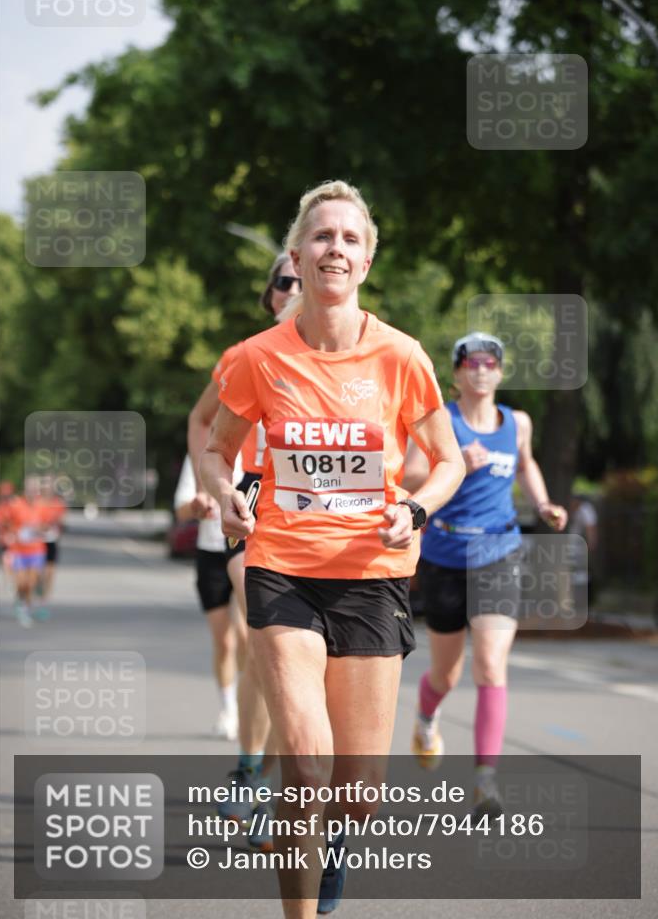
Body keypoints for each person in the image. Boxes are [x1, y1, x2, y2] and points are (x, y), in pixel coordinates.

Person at [201, 180, 465, 917]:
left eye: (350, 238)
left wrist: (414, 509)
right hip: (281, 567)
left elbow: (448, 460)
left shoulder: (401, 356)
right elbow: (218, 449)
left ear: (367, 260)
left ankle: (332, 839)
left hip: (372, 574)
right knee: (308, 767)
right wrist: (224, 494)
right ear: (296, 256)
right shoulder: (258, 357)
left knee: (357, 794)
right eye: (321, 236)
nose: (335, 249)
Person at [405, 331, 567, 820]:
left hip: (499, 551)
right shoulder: (440, 419)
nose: (480, 369)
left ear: (499, 372)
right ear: (456, 373)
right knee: (447, 673)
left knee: (492, 666)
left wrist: (543, 503)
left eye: (489, 362)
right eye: (471, 362)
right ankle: (426, 717)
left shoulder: (517, 423)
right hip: (445, 554)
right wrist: (455, 464)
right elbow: (409, 476)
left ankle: (484, 781)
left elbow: (526, 464)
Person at [187, 253, 301, 845]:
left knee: (300, 665)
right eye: (285, 280)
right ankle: (253, 775)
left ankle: (268, 778)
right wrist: (213, 485)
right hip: (254, 508)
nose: (296, 287)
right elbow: (201, 420)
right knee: (269, 640)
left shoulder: (357, 349)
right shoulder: (247, 354)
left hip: (324, 526)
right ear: (270, 294)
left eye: (303, 278)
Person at [174, 453, 246, 740]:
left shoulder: (256, 449)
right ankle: (229, 710)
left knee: (247, 636)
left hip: (246, 551)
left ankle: (248, 702)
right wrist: (196, 506)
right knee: (224, 641)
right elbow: (181, 510)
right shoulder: (203, 455)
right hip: (211, 554)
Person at [4, 476, 48, 627]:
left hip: (37, 550)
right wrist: (10, 533)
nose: (32, 492)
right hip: (18, 550)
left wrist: (39, 530)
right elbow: (6, 522)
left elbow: (47, 525)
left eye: (35, 489)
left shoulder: (42, 505)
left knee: (30, 583)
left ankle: (25, 609)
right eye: (30, 488)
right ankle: (21, 601)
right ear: (25, 490)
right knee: (21, 583)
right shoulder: (15, 504)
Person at [35, 477, 67, 620]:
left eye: (50, 487)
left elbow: (62, 522)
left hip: (52, 541)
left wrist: (58, 526)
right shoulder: (36, 502)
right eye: (45, 486)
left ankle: (44, 603)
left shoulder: (58, 504)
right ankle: (37, 589)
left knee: (49, 573)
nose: (47, 489)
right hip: (37, 542)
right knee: (37, 574)